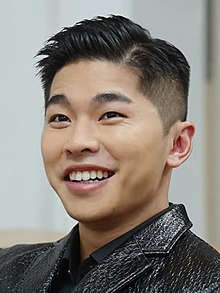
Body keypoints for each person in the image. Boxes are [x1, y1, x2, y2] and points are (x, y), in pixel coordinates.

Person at [0, 15, 219, 293]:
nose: (77, 141)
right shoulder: (8, 269)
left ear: (177, 144)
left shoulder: (207, 282)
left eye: (110, 115)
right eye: (60, 118)